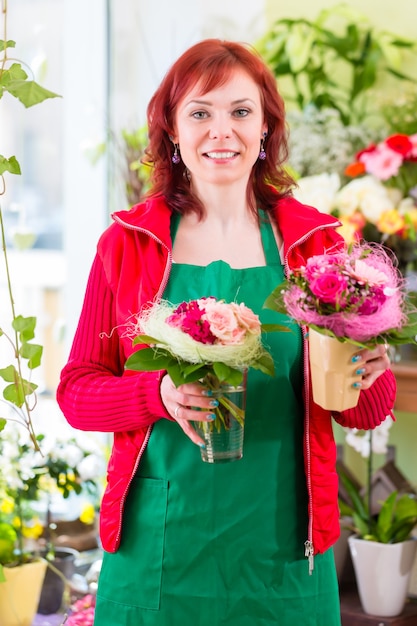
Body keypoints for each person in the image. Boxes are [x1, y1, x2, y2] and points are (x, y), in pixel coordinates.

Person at [56, 39, 396, 625]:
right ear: (172, 130)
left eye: (240, 111)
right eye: (200, 112)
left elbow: (362, 414)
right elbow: (76, 393)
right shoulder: (128, 245)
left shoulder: (316, 247)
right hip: (160, 545)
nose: (222, 131)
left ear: (265, 126)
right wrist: (156, 394)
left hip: (285, 553)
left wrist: (370, 373)